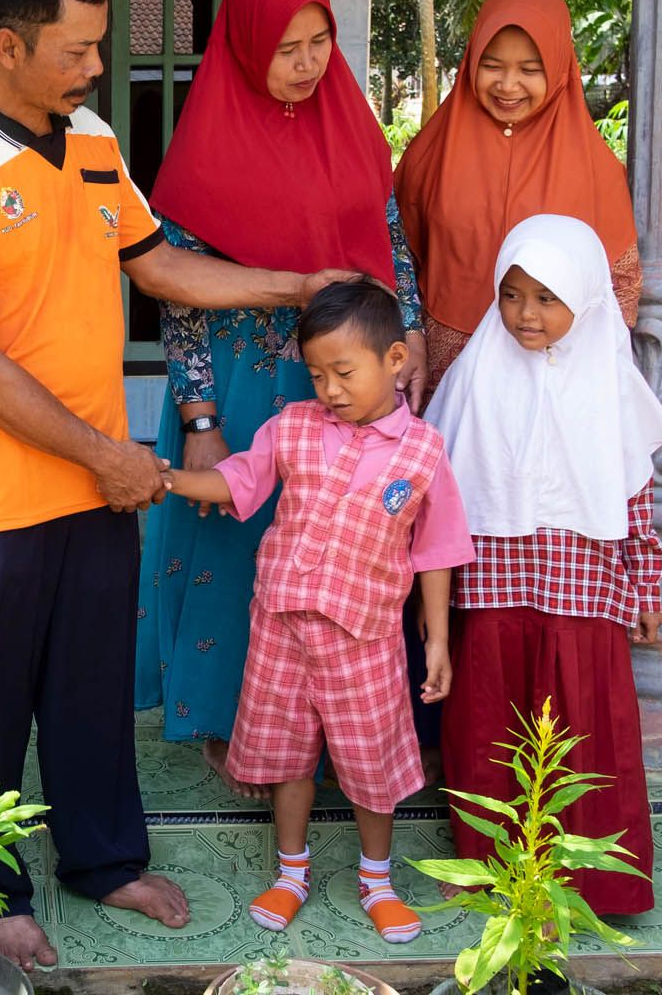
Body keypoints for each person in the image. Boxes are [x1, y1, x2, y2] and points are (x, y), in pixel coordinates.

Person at [0, 0, 353, 970]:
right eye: (79, 48)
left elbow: (160, 269)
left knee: (90, 686)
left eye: (99, 46)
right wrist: (107, 453)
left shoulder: (92, 139)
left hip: (95, 483)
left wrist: (292, 285)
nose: (99, 67)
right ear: (9, 46)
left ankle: (102, 860)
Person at [132, 0, 429, 800]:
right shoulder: (202, 149)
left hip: (340, 380)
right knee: (240, 548)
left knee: (337, 554)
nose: (307, 63)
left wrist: (405, 353)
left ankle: (337, 725)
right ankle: (232, 726)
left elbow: (390, 249)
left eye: (320, 42)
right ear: (244, 43)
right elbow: (175, 297)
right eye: (287, 46)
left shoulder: (350, 128)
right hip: (239, 384)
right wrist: (198, 417)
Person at [160, 280, 474, 941]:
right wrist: (166, 478)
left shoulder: (422, 452)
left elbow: (438, 551)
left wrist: (439, 641)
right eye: (317, 373)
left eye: (344, 372)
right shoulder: (295, 428)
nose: (328, 389)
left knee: (371, 766)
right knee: (287, 760)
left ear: (395, 361)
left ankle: (377, 880)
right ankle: (292, 873)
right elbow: (238, 481)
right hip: (280, 630)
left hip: (365, 639)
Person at [425, 214, 662, 916]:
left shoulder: (611, 381)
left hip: (583, 589)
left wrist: (646, 586)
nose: (525, 314)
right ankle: (484, 869)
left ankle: (594, 880)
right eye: (511, 294)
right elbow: (438, 490)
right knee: (486, 728)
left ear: (588, 298)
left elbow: (634, 496)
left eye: (546, 297)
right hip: (495, 588)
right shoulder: (477, 372)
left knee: (583, 730)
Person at [394, 0, 641, 394]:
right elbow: (395, 256)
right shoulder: (430, 155)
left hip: (558, 376)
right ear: (471, 61)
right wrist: (411, 338)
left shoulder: (595, 168)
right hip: (449, 371)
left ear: (560, 68)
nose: (508, 85)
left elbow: (621, 282)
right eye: (492, 65)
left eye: (529, 70)